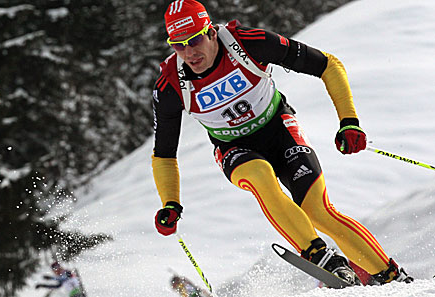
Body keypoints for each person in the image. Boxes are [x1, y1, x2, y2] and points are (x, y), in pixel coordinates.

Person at [152, 0, 413, 286]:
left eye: (194, 40)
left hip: (279, 129)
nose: (189, 52)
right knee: (259, 176)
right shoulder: (170, 85)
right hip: (234, 148)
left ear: (211, 32)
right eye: (178, 45)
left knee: (318, 211)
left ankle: (393, 278)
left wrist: (349, 121)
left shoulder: (249, 44)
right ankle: (324, 260)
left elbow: (328, 64)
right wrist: (171, 203)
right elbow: (164, 153)